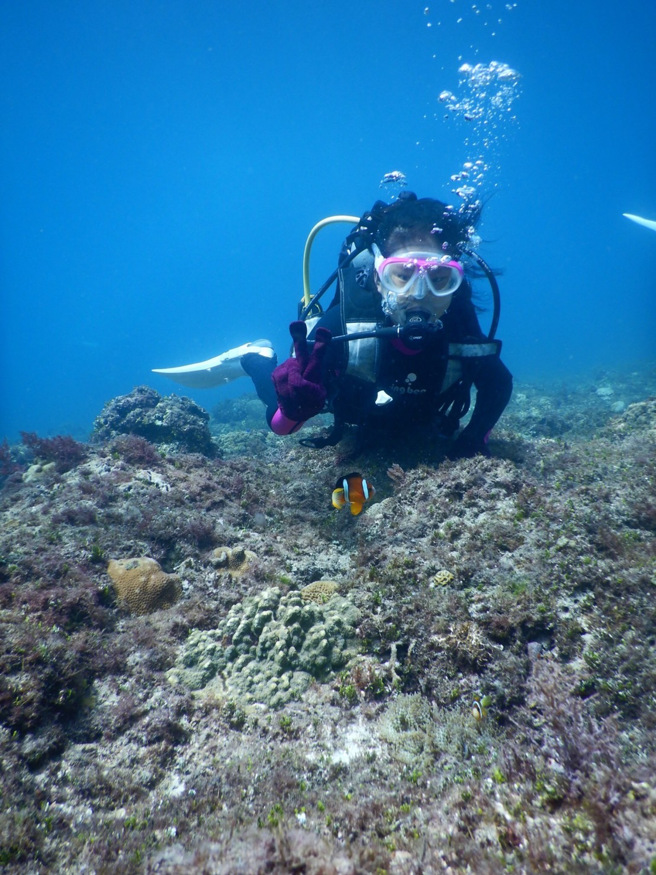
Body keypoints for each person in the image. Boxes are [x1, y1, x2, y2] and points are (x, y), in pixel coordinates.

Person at [153, 193, 512, 459]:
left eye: (440, 278)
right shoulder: (341, 327)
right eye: (402, 275)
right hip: (355, 409)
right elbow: (280, 426)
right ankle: (255, 358)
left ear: (456, 283)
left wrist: (473, 440)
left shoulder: (462, 329)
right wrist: (293, 409)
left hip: (414, 419)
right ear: (377, 277)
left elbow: (498, 384)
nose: (420, 294)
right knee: (284, 396)